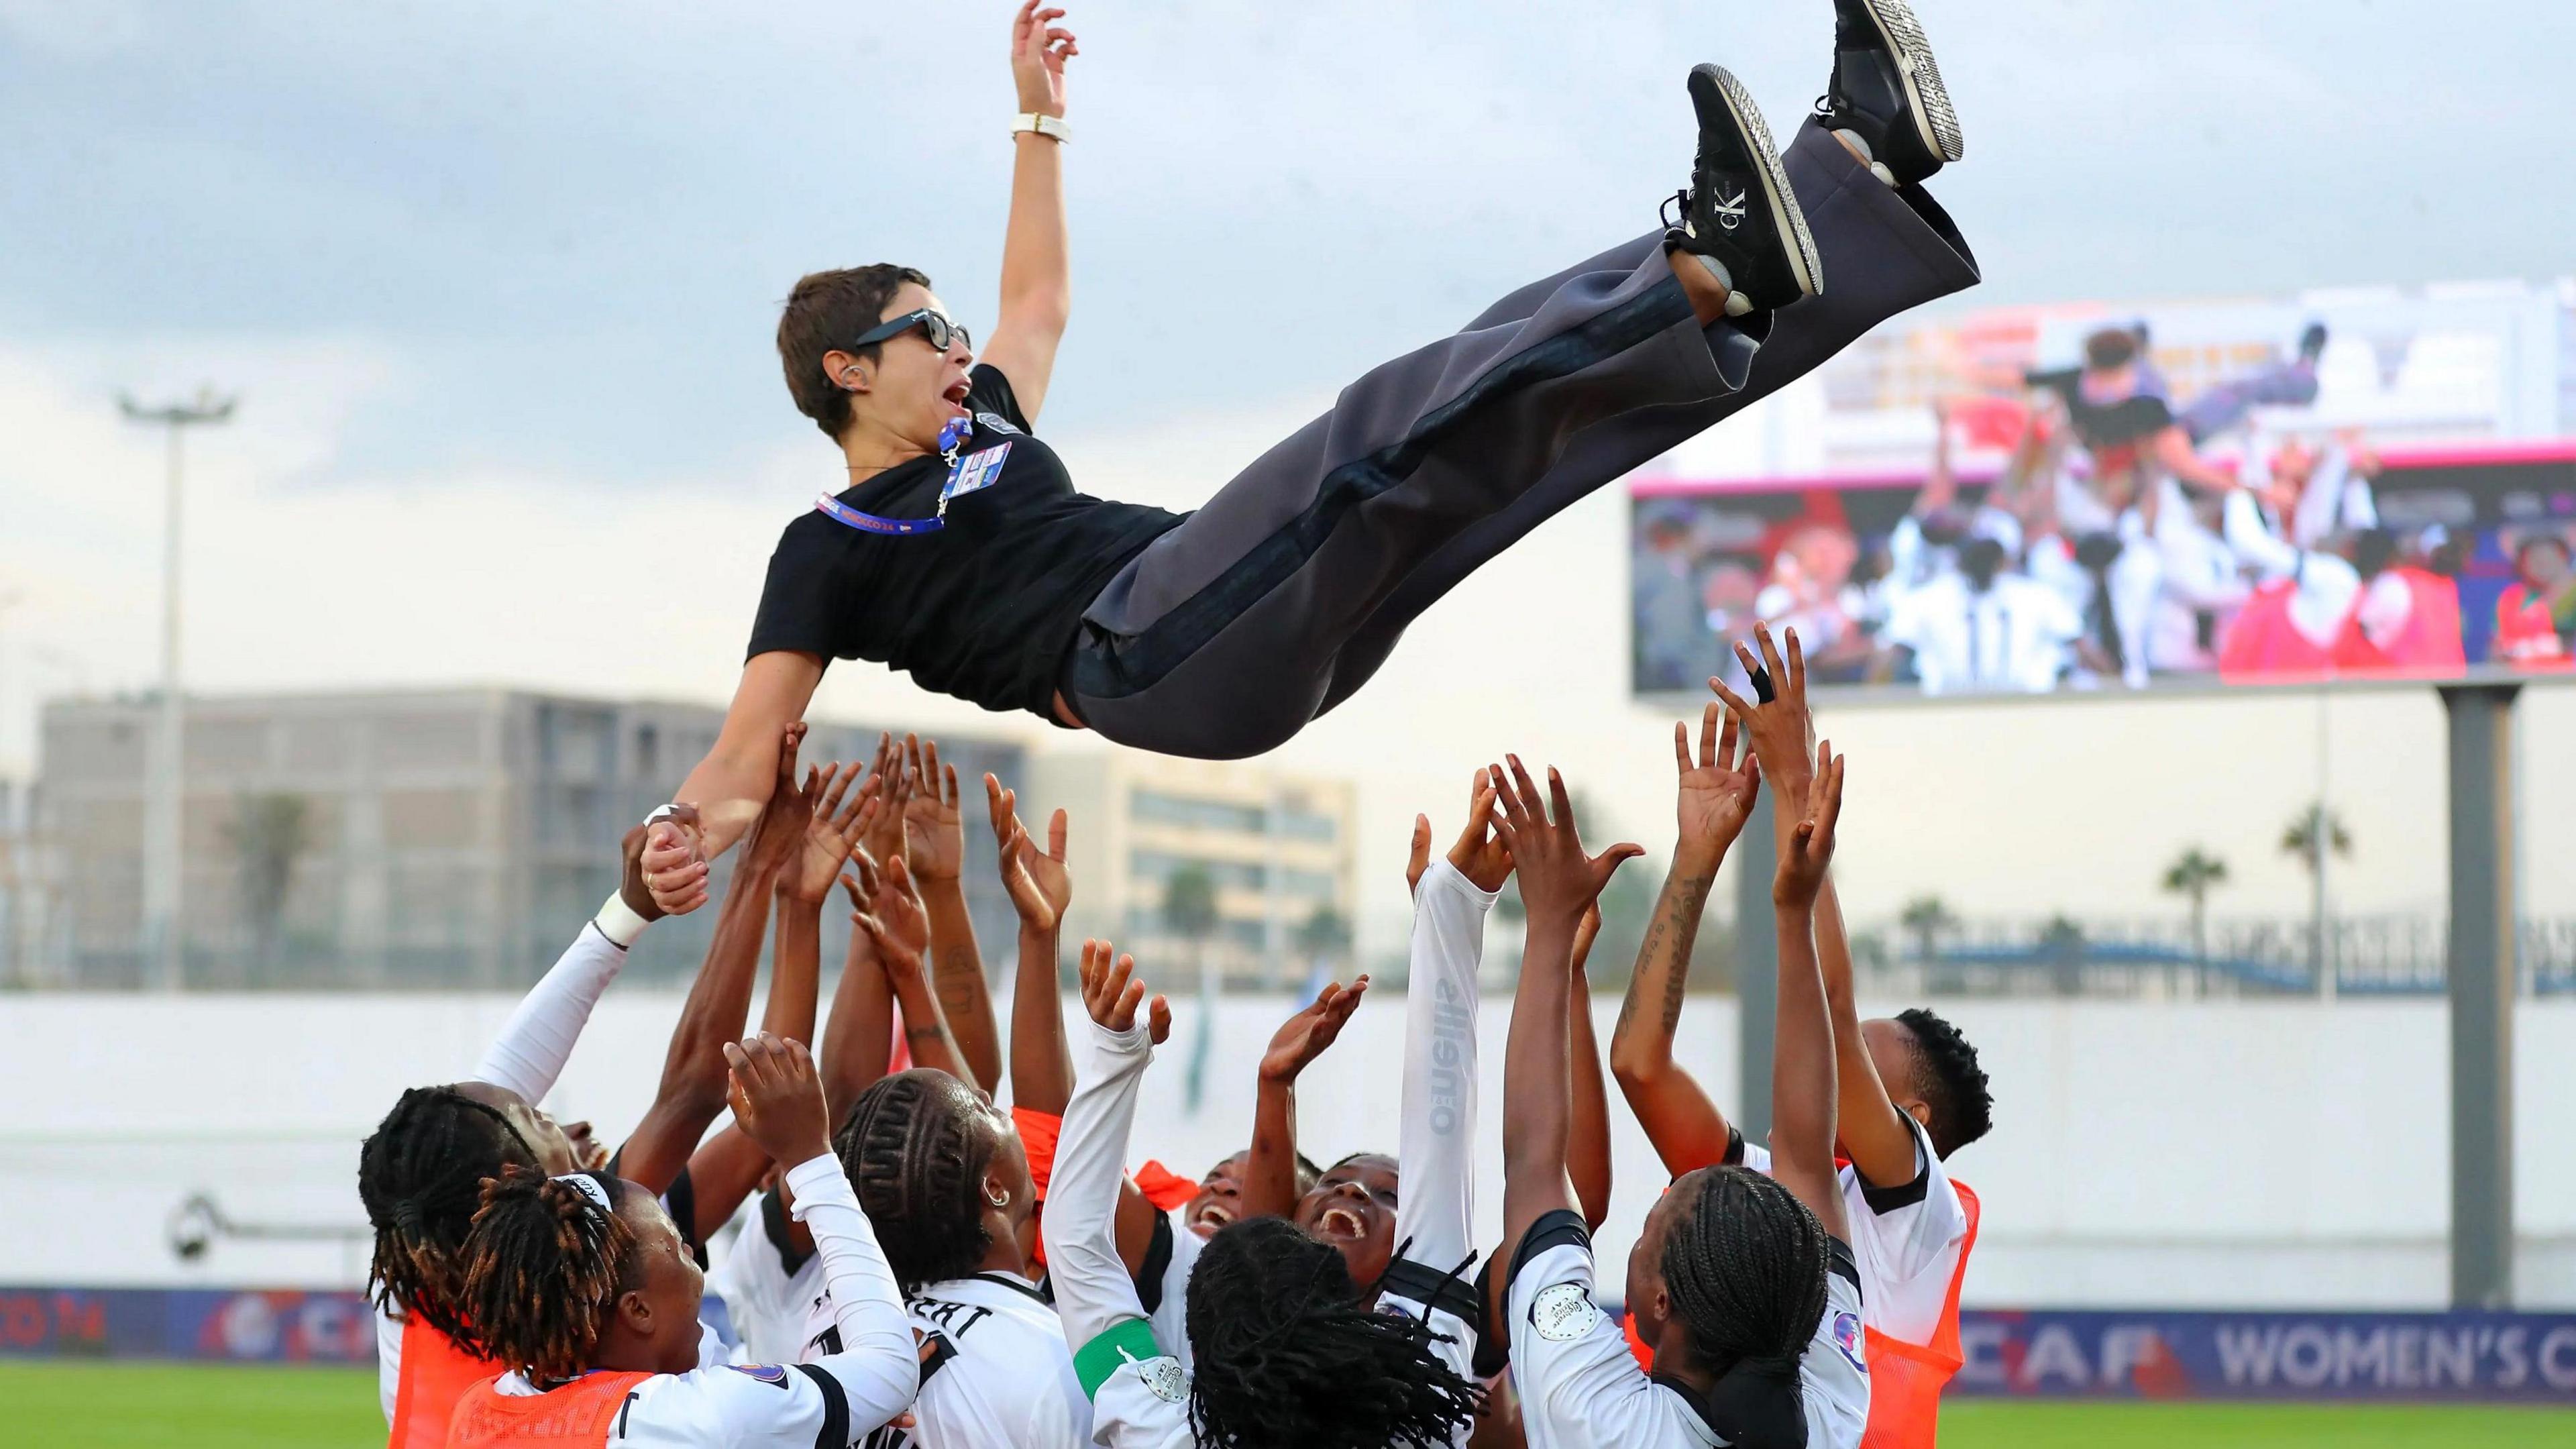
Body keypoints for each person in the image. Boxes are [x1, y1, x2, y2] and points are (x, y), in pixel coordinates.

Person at [637, 0, 1979, 909]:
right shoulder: (826, 546)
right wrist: (676, 846)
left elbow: (1038, 303)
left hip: (1241, 632)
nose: (956, 341)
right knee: (1386, 422)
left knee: (1509, 417)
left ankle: (1857, 179)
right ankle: (1713, 263)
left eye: (948, 322)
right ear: (846, 371)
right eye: (921, 329)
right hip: (1141, 654)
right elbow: (753, 749)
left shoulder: (981, 418)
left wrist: (1035, 117)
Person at [359, 729, 816, 1448]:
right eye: (547, 1129)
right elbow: (701, 1082)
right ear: (513, 1186)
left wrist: (628, 913)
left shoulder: (423, 1271)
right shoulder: (578, 1273)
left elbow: (490, 1100)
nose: (572, 1134)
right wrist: (759, 873)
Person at [1498, 747, 1866, 1449]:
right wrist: (1793, 911)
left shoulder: (1602, 1418)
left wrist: (1547, 924)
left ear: (1660, 1302)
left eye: (1645, 1233)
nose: (1635, 1239)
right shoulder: (1824, 1411)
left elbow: (1534, 1166)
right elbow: (1808, 1158)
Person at [1044, 941, 1488, 1449]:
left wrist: (1115, 1057)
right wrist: (1451, 913)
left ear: (1199, 1339)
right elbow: (1445, 1157)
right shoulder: (1420, 1404)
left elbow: (1074, 1242)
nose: (1350, 1190)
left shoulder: (1164, 1428)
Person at [442, 1032, 917, 1446]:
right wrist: (811, 1156)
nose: (691, 1252)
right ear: (638, 1310)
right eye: (673, 1245)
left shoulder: (482, 1409)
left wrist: (814, 1402)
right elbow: (889, 1371)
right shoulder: (693, 1420)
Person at [2495, 533, 2576, 668]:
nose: (2541, 565)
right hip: (2522, 679)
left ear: (2563, 557)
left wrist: (2554, 646)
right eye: (2534, 558)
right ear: (2523, 563)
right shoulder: (2511, 599)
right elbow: (2497, 648)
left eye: (2547, 558)